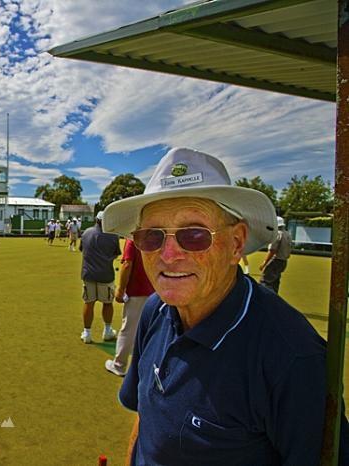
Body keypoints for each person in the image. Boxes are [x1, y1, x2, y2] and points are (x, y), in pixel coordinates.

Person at [102, 147, 348, 465]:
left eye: (194, 234)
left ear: (235, 244)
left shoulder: (294, 359)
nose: (168, 254)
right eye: (152, 236)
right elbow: (147, 419)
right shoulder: (155, 311)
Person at [104, 237, 154, 376]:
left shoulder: (133, 239)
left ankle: (119, 365)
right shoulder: (156, 237)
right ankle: (147, 367)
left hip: (137, 291)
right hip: (155, 290)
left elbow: (127, 264)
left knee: (128, 329)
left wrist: (120, 289)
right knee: (150, 330)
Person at [78, 210, 121, 343]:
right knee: (107, 303)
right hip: (105, 274)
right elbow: (116, 254)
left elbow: (82, 249)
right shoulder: (113, 236)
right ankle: (107, 331)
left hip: (88, 274)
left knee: (88, 303)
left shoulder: (86, 233)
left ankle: (87, 334)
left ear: (96, 220)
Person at [259, 216, 292, 293]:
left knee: (265, 281)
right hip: (283, 262)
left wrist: (264, 263)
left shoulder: (277, 235)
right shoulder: (288, 235)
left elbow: (272, 250)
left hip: (275, 261)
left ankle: (264, 300)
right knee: (275, 282)